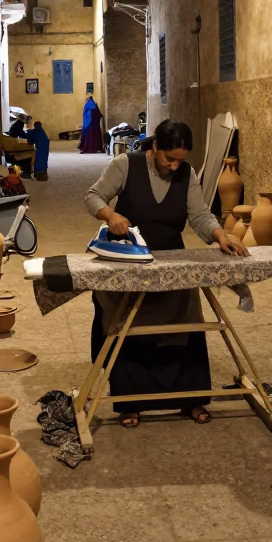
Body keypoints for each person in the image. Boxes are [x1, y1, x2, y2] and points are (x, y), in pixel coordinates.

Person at [84, 118, 247, 428]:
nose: (173, 166)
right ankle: (130, 402)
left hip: (172, 262)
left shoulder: (187, 174)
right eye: (168, 158)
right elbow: (93, 196)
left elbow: (199, 215)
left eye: (180, 160)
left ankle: (190, 397)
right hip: (131, 263)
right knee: (128, 326)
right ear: (154, 147)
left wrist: (220, 235)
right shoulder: (126, 165)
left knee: (184, 325)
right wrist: (111, 215)